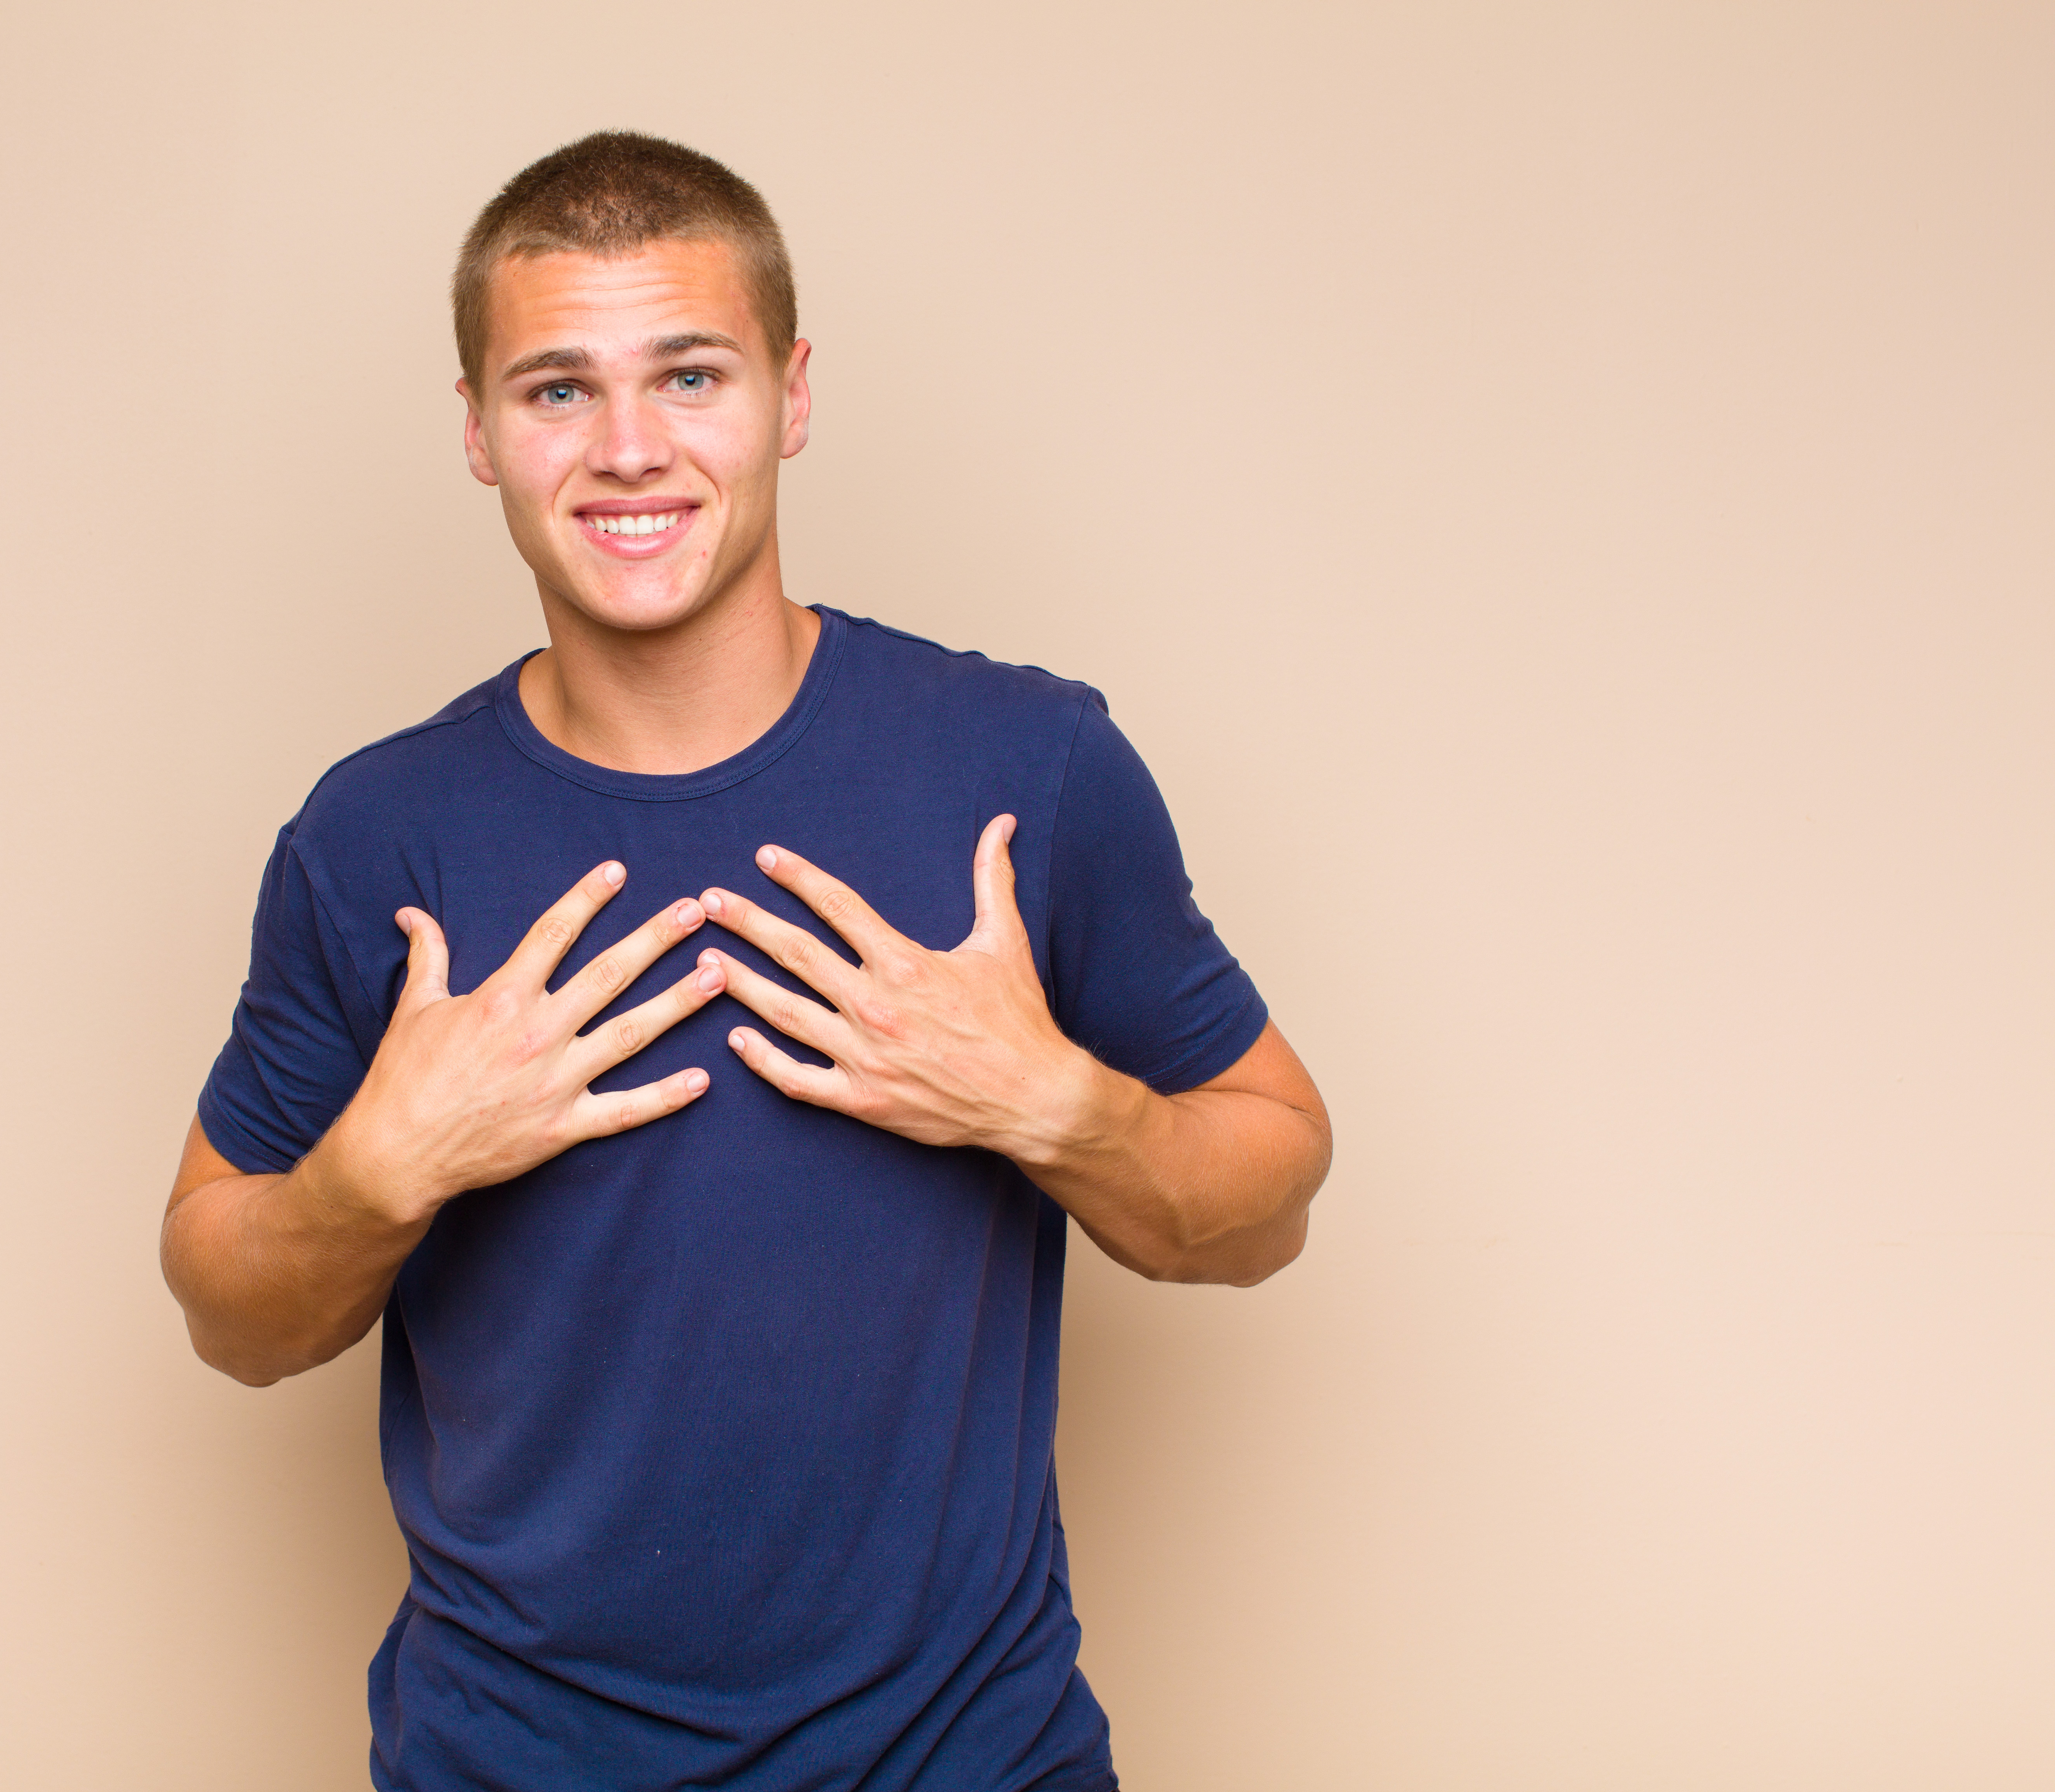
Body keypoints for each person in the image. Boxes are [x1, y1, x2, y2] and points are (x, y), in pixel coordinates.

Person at [161, 131, 1332, 1792]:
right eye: (557, 389)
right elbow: (231, 1311)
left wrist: (1061, 1106)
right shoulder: (375, 839)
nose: (628, 449)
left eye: (688, 376)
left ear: (790, 395)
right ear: (480, 432)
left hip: (968, 1763)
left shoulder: (1029, 770)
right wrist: (376, 1174)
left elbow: (1272, 1201)